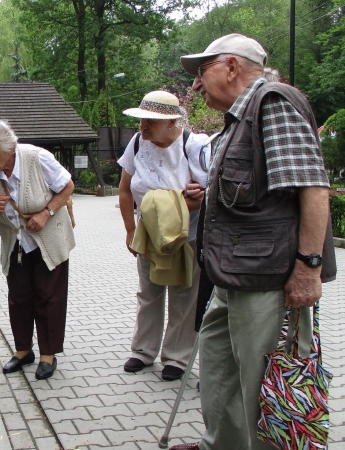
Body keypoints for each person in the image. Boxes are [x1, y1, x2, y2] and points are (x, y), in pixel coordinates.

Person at [170, 33, 336, 450]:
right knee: (218, 366)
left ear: (230, 66)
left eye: (200, 72)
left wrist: (308, 269)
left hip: (268, 280)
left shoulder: (273, 103)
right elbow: (256, 195)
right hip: (232, 277)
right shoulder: (236, 122)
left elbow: (313, 189)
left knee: (260, 386)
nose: (194, 86)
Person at [117, 90, 212, 381]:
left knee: (184, 294)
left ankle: (177, 358)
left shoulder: (194, 146)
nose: (143, 127)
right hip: (148, 231)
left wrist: (198, 195)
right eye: (142, 119)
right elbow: (124, 189)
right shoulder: (137, 143)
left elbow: (208, 194)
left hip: (187, 234)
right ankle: (143, 351)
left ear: (172, 122)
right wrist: (130, 229)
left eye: (152, 121)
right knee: (148, 291)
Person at [0, 119, 75, 380]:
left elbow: (67, 186)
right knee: (19, 297)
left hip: (48, 238)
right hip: (15, 242)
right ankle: (23, 351)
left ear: (9, 149)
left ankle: (48, 354)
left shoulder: (36, 157)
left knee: (48, 296)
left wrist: (46, 213)